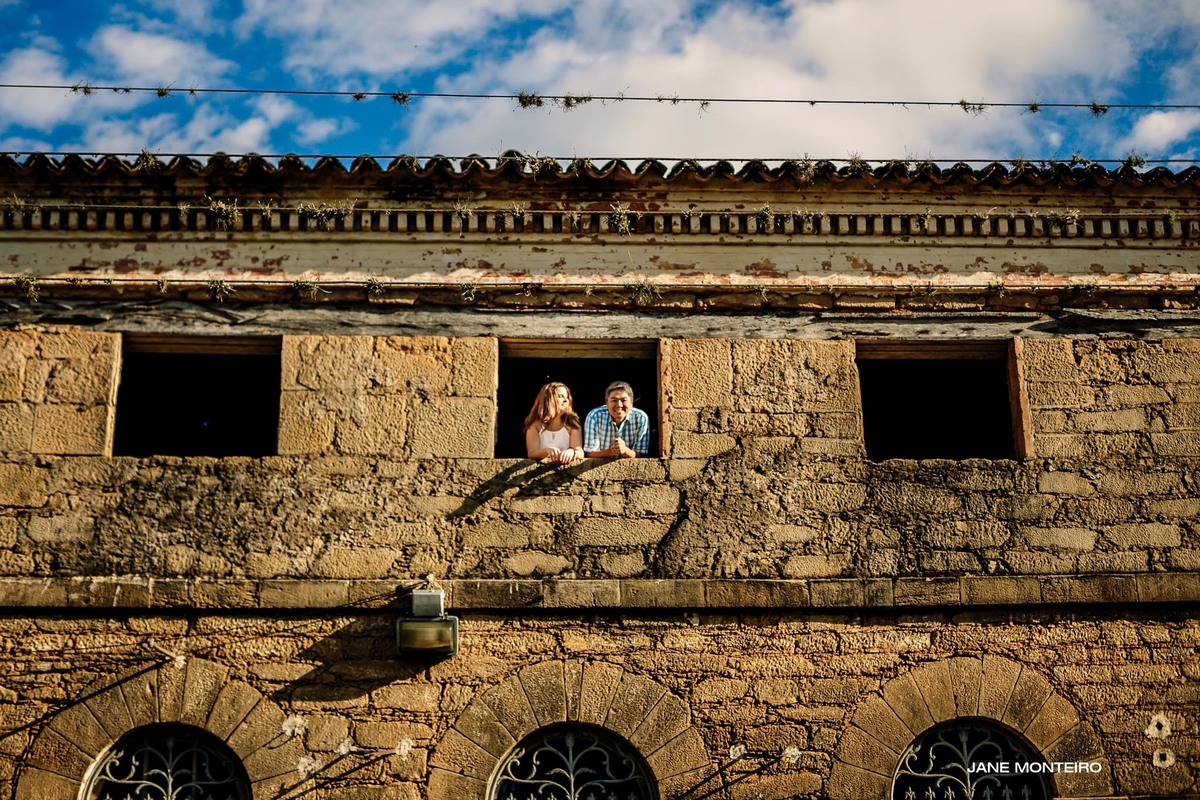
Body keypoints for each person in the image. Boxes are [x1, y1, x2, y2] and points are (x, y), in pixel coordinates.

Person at [583, 381, 650, 458]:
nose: (619, 405)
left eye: (623, 400)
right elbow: (590, 453)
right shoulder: (595, 416)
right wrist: (611, 451)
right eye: (614, 400)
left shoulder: (641, 418)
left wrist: (625, 450)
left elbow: (641, 454)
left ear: (631, 402)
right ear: (606, 403)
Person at [523, 382, 583, 464]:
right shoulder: (534, 426)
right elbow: (532, 453)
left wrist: (572, 452)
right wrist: (546, 451)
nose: (566, 400)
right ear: (548, 399)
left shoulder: (572, 424)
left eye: (567, 397)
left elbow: (580, 451)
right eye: (561, 396)